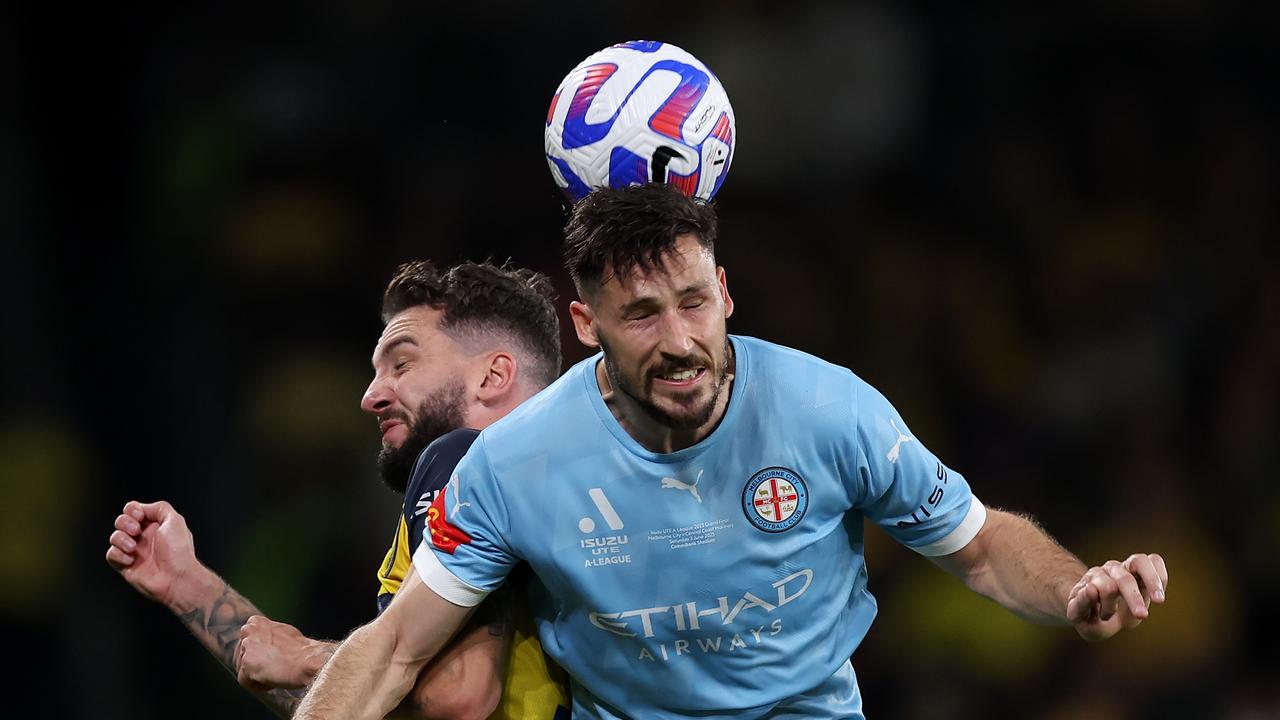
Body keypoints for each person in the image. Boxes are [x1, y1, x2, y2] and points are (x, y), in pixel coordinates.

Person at [292, 184, 1170, 720]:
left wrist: (1072, 587)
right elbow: (396, 650)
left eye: (692, 302)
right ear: (587, 326)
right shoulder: (514, 465)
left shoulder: (830, 412)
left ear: (725, 292)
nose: (679, 341)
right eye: (641, 315)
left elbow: (978, 546)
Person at [106, 260, 571, 719]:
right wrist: (189, 587)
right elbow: (373, 703)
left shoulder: (458, 458)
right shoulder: (566, 478)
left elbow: (456, 695)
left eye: (402, 364)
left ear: (492, 376)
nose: (371, 396)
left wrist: (304, 656)